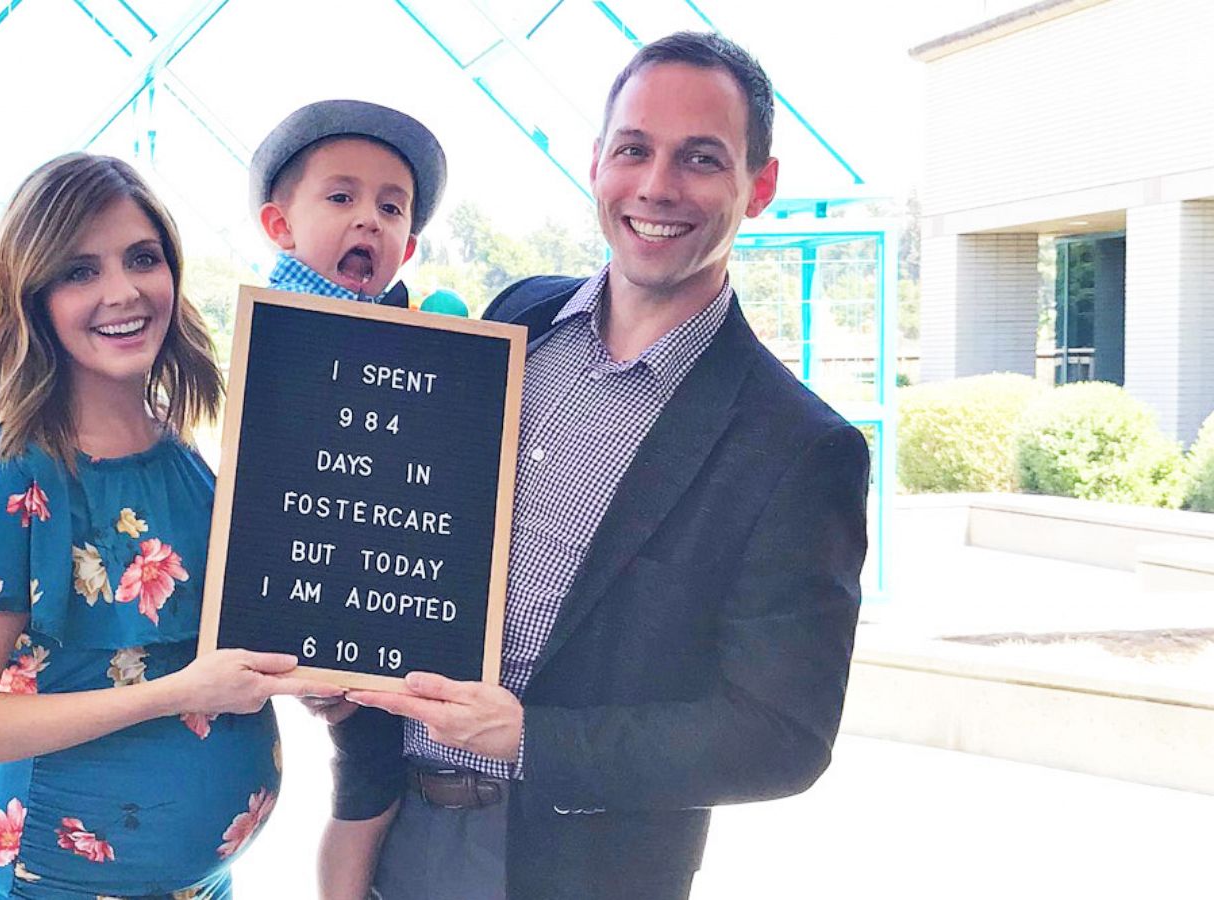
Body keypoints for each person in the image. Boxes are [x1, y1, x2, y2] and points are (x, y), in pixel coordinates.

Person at [321, 31, 872, 899]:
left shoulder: (798, 447)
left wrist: (533, 739)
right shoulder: (514, 322)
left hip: (581, 868)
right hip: (403, 829)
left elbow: (781, 736)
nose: (657, 186)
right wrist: (340, 652)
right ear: (596, 161)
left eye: (700, 158)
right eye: (634, 149)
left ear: (758, 186)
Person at [0, 152, 340, 900]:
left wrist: (309, 678)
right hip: (58, 882)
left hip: (200, 884)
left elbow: (218, 650)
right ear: (32, 297)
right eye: (79, 271)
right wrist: (175, 691)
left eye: (142, 258)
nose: (123, 291)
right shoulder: (18, 474)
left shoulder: (182, 453)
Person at [249, 98, 446, 308]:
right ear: (281, 226)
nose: (370, 219)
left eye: (390, 208)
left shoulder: (401, 323)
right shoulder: (279, 314)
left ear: (406, 250)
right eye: (340, 198)